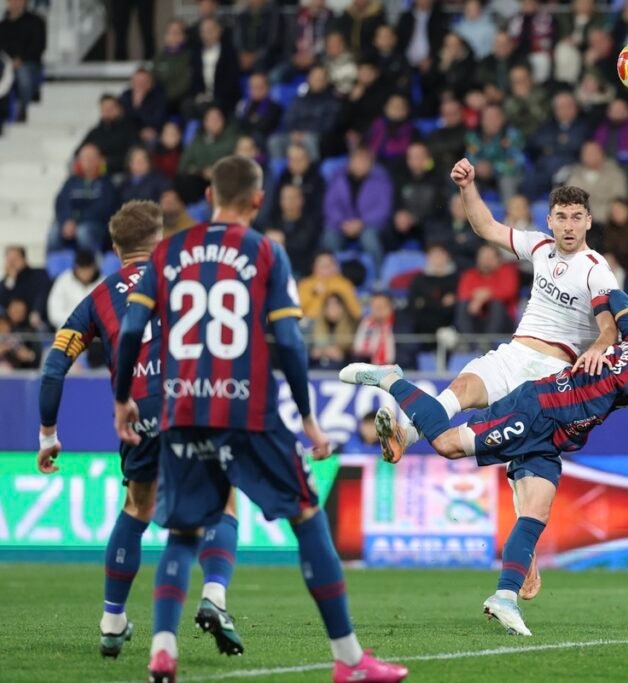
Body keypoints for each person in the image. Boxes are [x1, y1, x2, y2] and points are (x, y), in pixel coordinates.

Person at [112, 158, 407, 683]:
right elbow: (289, 342)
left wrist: (121, 400)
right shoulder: (266, 251)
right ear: (257, 200)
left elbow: (132, 327)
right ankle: (349, 660)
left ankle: (163, 650)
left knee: (182, 531)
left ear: (207, 193)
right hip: (245, 408)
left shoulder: (168, 251)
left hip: (181, 409)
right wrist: (310, 421)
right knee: (307, 516)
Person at [341, 290, 628, 636]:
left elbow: (612, 295)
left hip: (556, 434)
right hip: (537, 411)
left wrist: (606, 334)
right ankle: (392, 379)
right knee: (446, 443)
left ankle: (504, 597)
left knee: (536, 511)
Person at [373, 160, 620, 601]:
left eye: (576, 217)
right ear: (550, 220)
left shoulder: (595, 269)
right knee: (464, 387)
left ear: (588, 221)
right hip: (515, 352)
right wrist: (468, 187)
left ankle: (526, 559)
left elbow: (608, 323)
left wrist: (601, 344)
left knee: (522, 470)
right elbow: (486, 226)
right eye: (561, 217)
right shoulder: (540, 247)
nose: (567, 225)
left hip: (550, 374)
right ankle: (407, 434)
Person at [38, 201, 244, 660]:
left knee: (137, 507)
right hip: (194, 398)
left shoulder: (96, 298)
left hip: (139, 410)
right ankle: (214, 597)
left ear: (115, 248)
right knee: (223, 498)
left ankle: (113, 623)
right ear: (161, 238)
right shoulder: (191, 277)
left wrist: (48, 435)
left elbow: (53, 370)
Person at [51, 144, 120, 254]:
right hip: (71, 223)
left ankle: (93, 265)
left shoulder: (107, 184)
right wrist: (66, 220)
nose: (88, 162)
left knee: (83, 232)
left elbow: (102, 209)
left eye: (92, 158)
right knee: (54, 232)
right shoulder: (71, 182)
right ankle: (54, 268)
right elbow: (61, 203)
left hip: (96, 225)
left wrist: (77, 221)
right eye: (84, 158)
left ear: (99, 160)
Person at [455, 244, 519, 340]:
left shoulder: (507, 271)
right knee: (463, 304)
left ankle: (488, 342)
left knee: (496, 304)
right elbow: (462, 294)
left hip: (503, 322)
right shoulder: (470, 274)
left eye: (489, 257)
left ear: (498, 259)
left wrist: (486, 295)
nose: (486, 261)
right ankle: (467, 342)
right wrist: (478, 298)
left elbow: (509, 292)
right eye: (483, 257)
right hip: (476, 318)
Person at [0, 0, 46, 122]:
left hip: (29, 63)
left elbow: (39, 46)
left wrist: (22, 59)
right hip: (6, 65)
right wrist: (9, 62)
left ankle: (22, 110)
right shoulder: (2, 26)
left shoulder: (36, 22)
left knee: (23, 75)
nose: (15, 2)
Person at [80, 95, 140, 177]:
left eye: (111, 108)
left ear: (119, 109)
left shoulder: (129, 130)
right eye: (104, 108)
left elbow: (134, 155)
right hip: (97, 173)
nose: (107, 111)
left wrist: (109, 162)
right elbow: (79, 151)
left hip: (120, 173)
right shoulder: (95, 132)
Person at [46, 250, 100, 330]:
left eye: (88, 269)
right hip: (67, 333)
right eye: (82, 269)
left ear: (94, 268)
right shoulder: (63, 280)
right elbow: (54, 314)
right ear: (76, 268)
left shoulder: (104, 283)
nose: (85, 273)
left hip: (97, 336)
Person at [1, 246, 50, 325]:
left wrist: (36, 312)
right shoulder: (6, 282)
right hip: (11, 322)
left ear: (24, 259)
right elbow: (3, 301)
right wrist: (11, 279)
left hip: (35, 318)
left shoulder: (39, 274)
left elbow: (42, 295)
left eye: (15, 259)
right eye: (9, 259)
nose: (12, 263)